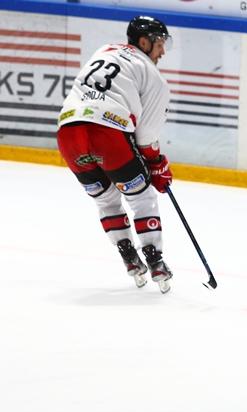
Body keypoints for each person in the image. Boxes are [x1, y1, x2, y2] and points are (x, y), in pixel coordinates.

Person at [56, 16, 174, 292]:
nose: (163, 51)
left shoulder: (105, 50)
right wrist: (157, 165)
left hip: (68, 134)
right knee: (142, 197)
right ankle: (155, 261)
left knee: (106, 198)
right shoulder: (154, 77)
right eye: (159, 44)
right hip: (107, 135)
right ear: (144, 42)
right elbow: (146, 136)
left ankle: (129, 256)